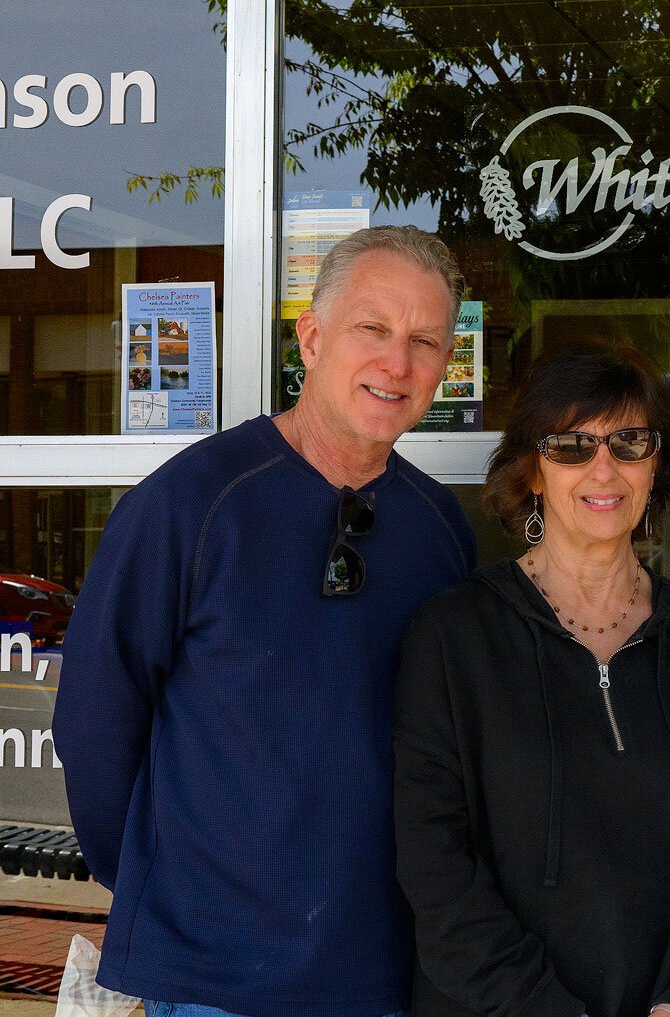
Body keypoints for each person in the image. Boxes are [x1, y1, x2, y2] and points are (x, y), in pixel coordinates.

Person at [55, 225, 478, 1016]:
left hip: (386, 969)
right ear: (311, 337)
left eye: (425, 341)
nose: (398, 363)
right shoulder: (191, 503)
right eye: (373, 329)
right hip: (215, 976)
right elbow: (95, 722)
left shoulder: (440, 528)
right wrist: (166, 884)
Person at [393, 338, 670, 1017]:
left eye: (629, 442)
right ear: (532, 469)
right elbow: (434, 866)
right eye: (571, 446)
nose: (604, 469)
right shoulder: (454, 639)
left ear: (657, 465)